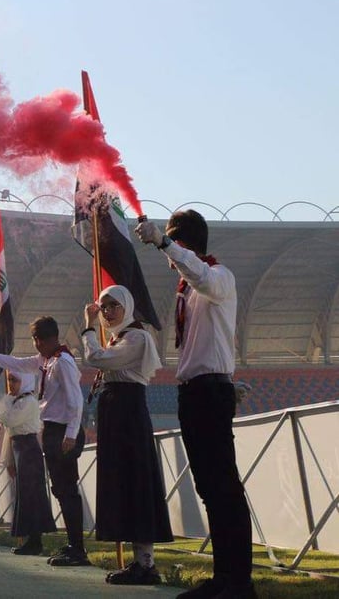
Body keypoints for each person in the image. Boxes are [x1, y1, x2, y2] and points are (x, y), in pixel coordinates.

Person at [137, 211, 255, 599]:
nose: (168, 256)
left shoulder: (219, 277)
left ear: (185, 244)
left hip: (210, 392)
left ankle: (239, 582)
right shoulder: (187, 289)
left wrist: (163, 243)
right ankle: (224, 578)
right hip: (193, 392)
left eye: (173, 244)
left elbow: (201, 276)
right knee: (210, 488)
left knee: (224, 488)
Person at [0, 317, 90, 566]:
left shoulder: (63, 362)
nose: (35, 345)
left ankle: (78, 548)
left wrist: (71, 434)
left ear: (51, 338)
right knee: (60, 490)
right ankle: (73, 545)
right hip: (53, 429)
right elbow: (13, 362)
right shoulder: (46, 360)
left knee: (67, 490)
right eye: (34, 339)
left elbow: (76, 401)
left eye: (39, 340)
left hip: (64, 429)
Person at [81, 285, 174, 585]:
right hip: (116, 415)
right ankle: (139, 562)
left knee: (135, 483)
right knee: (123, 483)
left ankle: (146, 564)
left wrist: (88, 328)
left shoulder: (136, 337)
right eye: (103, 306)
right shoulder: (121, 338)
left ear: (127, 307)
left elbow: (97, 359)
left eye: (112, 306)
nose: (107, 312)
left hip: (128, 415)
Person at [0, 370, 56, 556]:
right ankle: (30, 538)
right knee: (25, 495)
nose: (11, 384)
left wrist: (4, 402)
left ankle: (35, 540)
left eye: (14, 380)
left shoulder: (28, 402)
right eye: (9, 380)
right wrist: (8, 461)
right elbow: (10, 434)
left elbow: (9, 420)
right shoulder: (16, 402)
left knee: (32, 495)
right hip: (19, 449)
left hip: (28, 449)